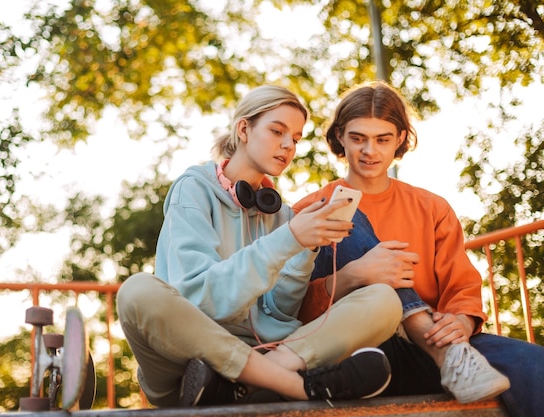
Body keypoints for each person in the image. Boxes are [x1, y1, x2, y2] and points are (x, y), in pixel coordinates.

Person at [116, 85, 402, 408]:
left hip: (264, 352)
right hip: (189, 361)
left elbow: (280, 311)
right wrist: (288, 240)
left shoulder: (280, 213)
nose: (287, 145)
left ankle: (251, 383)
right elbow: (200, 301)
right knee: (136, 292)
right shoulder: (194, 190)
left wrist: (305, 251)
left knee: (384, 301)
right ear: (244, 129)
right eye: (277, 131)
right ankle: (300, 386)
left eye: (295, 138)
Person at [293, 81, 544, 417]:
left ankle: (451, 354)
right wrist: (354, 276)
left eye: (382, 139)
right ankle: (441, 346)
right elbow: (293, 307)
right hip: (358, 347)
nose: (370, 151)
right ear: (339, 136)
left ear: (399, 139)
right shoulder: (309, 210)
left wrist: (461, 323)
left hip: (440, 345)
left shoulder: (432, 207)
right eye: (358, 138)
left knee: (535, 364)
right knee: (343, 212)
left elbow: (462, 287)